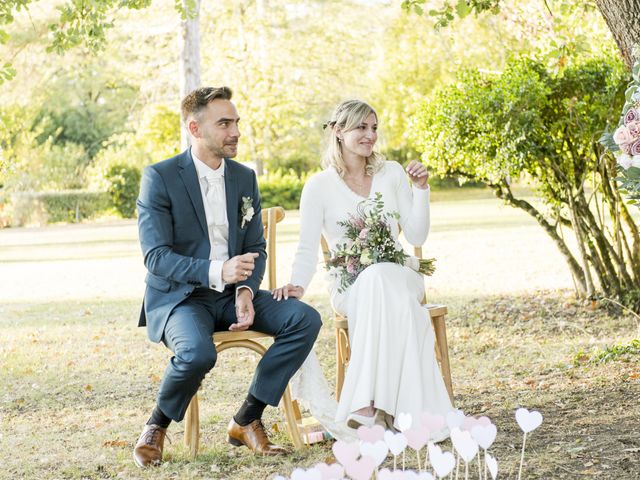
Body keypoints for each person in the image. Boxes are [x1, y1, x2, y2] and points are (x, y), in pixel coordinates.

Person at [133, 86, 322, 467]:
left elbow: (256, 246)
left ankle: (247, 418)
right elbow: (156, 257)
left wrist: (247, 291)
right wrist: (218, 270)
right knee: (198, 353)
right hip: (181, 299)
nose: (235, 131)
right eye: (224, 123)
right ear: (195, 128)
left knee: (304, 319)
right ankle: (156, 426)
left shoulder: (243, 177)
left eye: (236, 122)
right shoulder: (160, 177)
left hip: (232, 296)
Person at [273, 99, 453, 433]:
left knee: (381, 277)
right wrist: (297, 283)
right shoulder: (318, 186)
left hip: (400, 274)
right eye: (361, 128)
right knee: (373, 281)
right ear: (339, 132)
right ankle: (392, 408)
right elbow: (306, 247)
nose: (370, 135)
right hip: (349, 285)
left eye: (374, 128)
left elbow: (416, 233)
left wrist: (422, 190)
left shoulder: (392, 173)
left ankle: (367, 405)